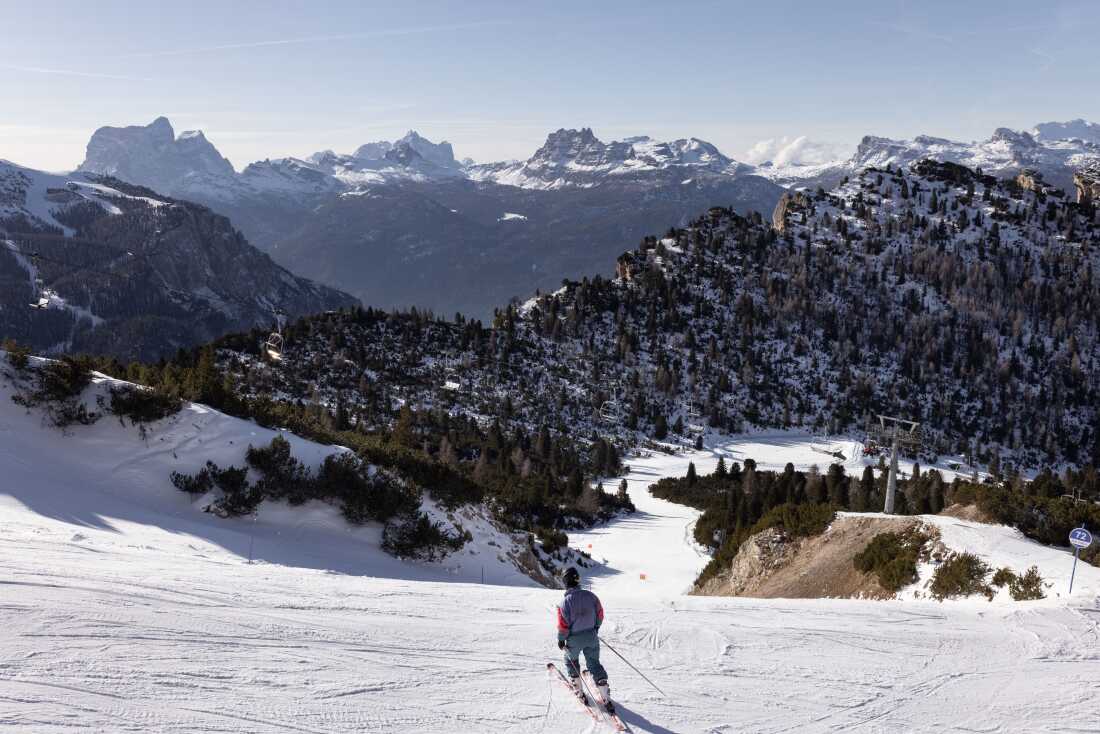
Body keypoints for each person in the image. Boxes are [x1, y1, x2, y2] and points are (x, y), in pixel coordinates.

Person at [556, 566, 612, 708]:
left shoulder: (564, 603)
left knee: (571, 660)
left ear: (565, 582)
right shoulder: (591, 596)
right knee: (594, 663)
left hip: (574, 639)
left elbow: (563, 625)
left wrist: (561, 639)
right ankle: (604, 692)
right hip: (591, 636)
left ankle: (579, 690)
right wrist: (595, 628)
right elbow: (600, 614)